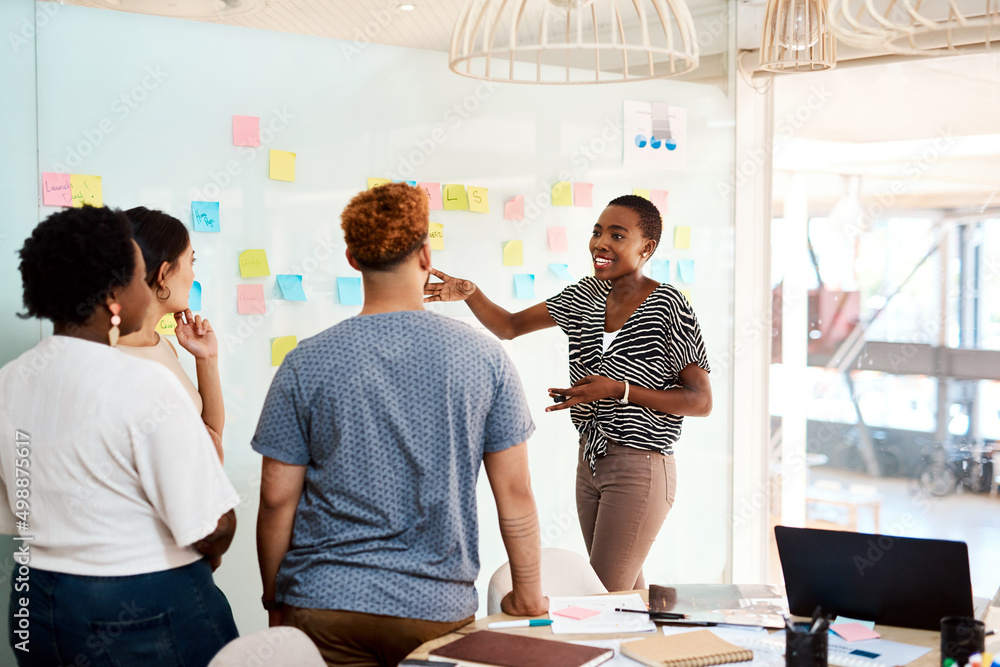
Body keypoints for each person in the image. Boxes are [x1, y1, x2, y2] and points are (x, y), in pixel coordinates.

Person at [253, 183, 547, 667]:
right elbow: (515, 492)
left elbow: (275, 496)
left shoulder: (306, 361)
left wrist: (275, 599)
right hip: (434, 611)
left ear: (352, 258)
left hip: (326, 602)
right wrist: (529, 597)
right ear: (427, 254)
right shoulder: (483, 357)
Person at [425, 194, 712, 592]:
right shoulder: (584, 295)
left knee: (603, 597)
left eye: (616, 235)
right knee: (624, 597)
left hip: (640, 466)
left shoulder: (668, 305)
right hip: (591, 464)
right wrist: (471, 293)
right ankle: (658, 654)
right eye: (596, 233)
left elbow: (700, 400)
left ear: (646, 248)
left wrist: (618, 390)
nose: (600, 244)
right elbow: (509, 325)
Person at [0, 206, 240, 667]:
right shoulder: (142, 383)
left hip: (36, 596)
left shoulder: (12, 378)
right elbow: (211, 523)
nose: (144, 288)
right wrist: (215, 537)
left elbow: (17, 502)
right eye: (135, 275)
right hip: (140, 601)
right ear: (113, 294)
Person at [118, 206, 225, 461]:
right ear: (164, 273)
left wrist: (207, 358)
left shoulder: (162, 344)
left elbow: (211, 434)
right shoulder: (113, 358)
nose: (194, 274)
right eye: (191, 261)